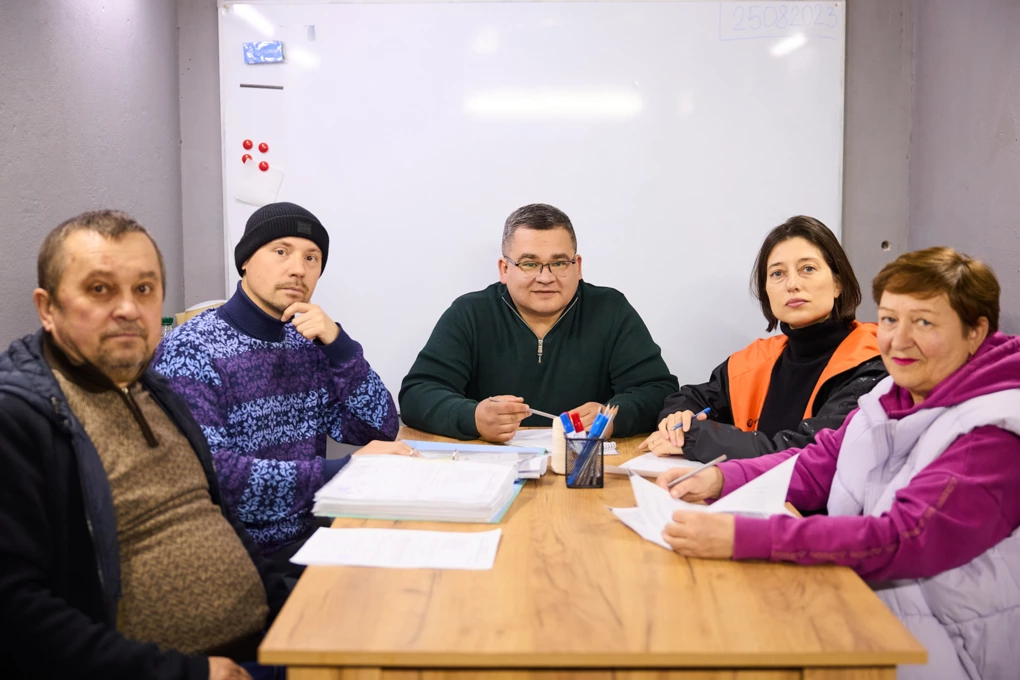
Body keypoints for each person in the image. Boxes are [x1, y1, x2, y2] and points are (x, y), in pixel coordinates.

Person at [657, 247, 1020, 680]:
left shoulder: (993, 428)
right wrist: (719, 478)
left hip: (950, 649)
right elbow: (818, 463)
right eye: (889, 319)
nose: (899, 340)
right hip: (869, 604)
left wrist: (742, 536)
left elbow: (902, 538)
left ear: (975, 332)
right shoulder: (891, 394)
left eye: (924, 322)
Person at [0, 210, 289, 680]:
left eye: (144, 289)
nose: (128, 309)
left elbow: (219, 519)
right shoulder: (19, 418)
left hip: (261, 648)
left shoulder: (155, 391)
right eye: (99, 289)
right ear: (47, 308)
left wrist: (292, 618)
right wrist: (191, 673)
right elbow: (16, 612)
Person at [153, 202, 404, 578]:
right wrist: (344, 471)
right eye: (281, 251)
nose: (298, 269)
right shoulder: (191, 349)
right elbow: (215, 478)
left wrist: (341, 347)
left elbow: (378, 428)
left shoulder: (307, 343)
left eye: (311, 258)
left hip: (311, 540)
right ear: (245, 261)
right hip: (235, 561)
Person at [399, 203, 678, 442]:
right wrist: (473, 417)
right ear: (504, 269)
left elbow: (659, 392)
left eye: (559, 263)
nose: (546, 277)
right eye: (530, 264)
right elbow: (417, 394)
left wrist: (612, 417)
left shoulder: (610, 310)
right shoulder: (470, 313)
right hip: (492, 463)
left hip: (586, 463)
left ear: (578, 266)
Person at [641, 216, 886, 462]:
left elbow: (808, 451)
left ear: (838, 283)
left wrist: (697, 438)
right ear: (766, 290)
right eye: (778, 273)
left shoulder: (872, 364)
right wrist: (678, 419)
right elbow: (690, 398)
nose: (792, 284)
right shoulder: (756, 360)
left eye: (808, 269)